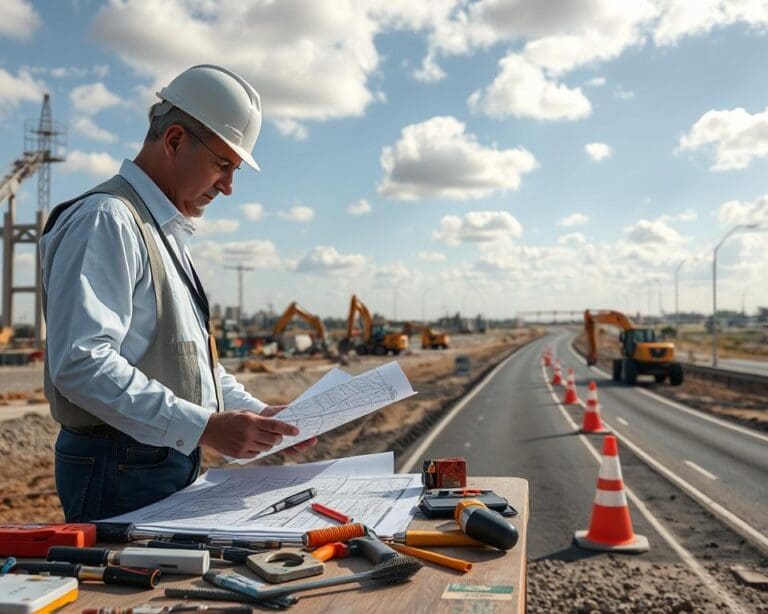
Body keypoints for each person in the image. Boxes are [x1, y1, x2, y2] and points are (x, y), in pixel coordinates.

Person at [40, 64, 315, 522]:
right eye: (222, 165)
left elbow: (190, 364)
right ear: (174, 141)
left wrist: (260, 416)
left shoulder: (162, 230)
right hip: (120, 467)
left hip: (150, 460)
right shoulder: (107, 220)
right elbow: (81, 362)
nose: (228, 187)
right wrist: (205, 426)